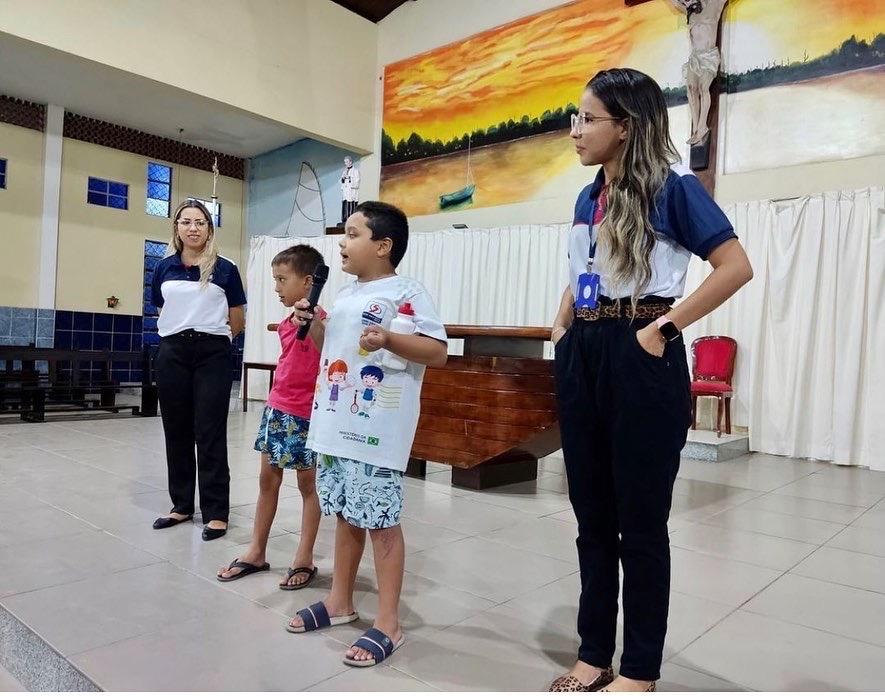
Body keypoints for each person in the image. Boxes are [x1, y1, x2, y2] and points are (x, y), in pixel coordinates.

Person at [548, 68, 753, 692]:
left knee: (639, 523)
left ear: (626, 126)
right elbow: (585, 271)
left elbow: (735, 266)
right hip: (586, 351)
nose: (575, 130)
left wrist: (662, 329)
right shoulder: (587, 196)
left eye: (588, 119)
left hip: (641, 351)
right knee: (590, 518)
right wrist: (564, 324)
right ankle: (593, 653)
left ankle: (639, 669)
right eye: (576, 117)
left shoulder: (673, 187)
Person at [285, 201, 448, 669]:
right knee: (344, 513)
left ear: (383, 246)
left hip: (376, 431)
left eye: (353, 234)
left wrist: (390, 338)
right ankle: (340, 601)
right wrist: (314, 325)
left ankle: (389, 622)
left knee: (379, 521)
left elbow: (437, 351)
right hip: (335, 425)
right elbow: (330, 350)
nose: (342, 242)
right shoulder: (344, 295)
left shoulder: (406, 292)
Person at [216, 245, 325, 589]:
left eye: (282, 279)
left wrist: (316, 323)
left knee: (309, 486)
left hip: (309, 415)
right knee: (267, 481)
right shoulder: (285, 325)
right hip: (278, 409)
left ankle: (304, 557)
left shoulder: (324, 323)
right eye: (275, 279)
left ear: (308, 282)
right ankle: (256, 551)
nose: (276, 287)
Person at [151, 199, 246, 541]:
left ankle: (216, 512)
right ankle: (181, 506)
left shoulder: (225, 268)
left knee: (209, 431)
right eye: (186, 222)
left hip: (212, 353)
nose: (193, 228)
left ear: (209, 229)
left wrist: (218, 340)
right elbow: (162, 308)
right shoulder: (163, 267)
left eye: (200, 222)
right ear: (176, 228)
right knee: (176, 429)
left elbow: (237, 317)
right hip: (172, 352)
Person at [669, 0, 728, 145]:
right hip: (695, 57)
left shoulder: (714, 4)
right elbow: (675, 3)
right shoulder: (690, 12)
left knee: (703, 88)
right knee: (691, 89)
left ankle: (703, 127)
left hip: (708, 56)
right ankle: (696, 128)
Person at [340, 156, 360, 225]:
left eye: (347, 162)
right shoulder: (344, 171)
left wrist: (349, 178)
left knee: (351, 206)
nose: (346, 163)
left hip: (352, 192)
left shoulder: (356, 171)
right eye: (345, 162)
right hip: (346, 192)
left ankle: (350, 220)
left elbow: (357, 183)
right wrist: (343, 178)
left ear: (351, 162)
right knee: (345, 204)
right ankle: (344, 220)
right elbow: (341, 182)